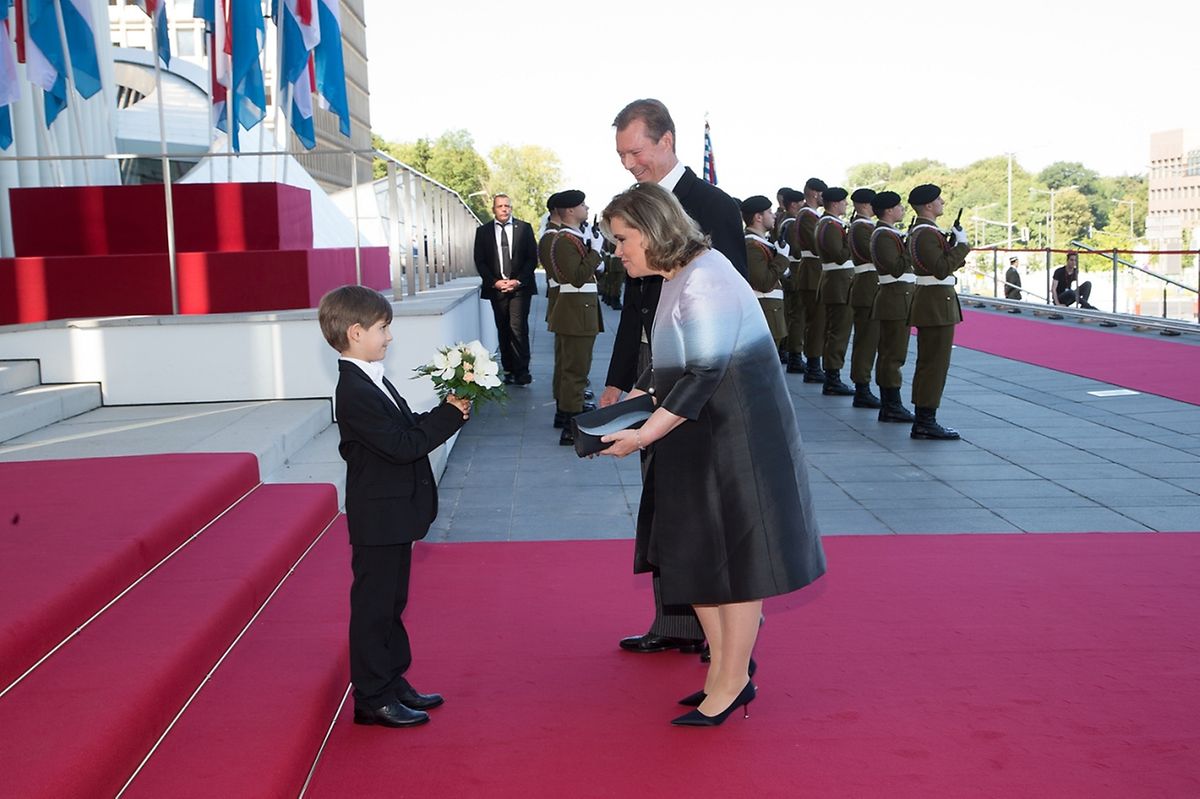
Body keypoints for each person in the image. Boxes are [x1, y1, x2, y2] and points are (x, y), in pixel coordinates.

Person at [598, 183, 825, 726]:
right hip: (702, 432)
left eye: (623, 239)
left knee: (735, 563)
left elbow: (704, 373)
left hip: (735, 438)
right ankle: (723, 676)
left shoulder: (704, 278)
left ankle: (732, 680)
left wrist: (642, 435)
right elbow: (679, 360)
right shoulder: (681, 275)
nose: (618, 251)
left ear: (653, 233)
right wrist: (637, 396)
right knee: (699, 555)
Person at [604, 98, 747, 656]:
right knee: (663, 499)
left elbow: (726, 305)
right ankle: (676, 621)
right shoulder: (637, 207)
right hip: (651, 371)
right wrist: (620, 378)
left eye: (635, 151)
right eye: (620, 155)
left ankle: (726, 642)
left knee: (707, 505)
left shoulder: (712, 205)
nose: (629, 164)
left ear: (666, 139)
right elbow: (635, 304)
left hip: (697, 377)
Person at [318, 285, 471, 728]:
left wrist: (448, 408)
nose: (389, 337)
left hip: (392, 515)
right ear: (356, 331)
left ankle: (393, 680)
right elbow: (402, 446)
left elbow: (405, 426)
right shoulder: (354, 390)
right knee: (374, 608)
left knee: (392, 602)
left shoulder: (372, 376)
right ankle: (371, 696)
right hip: (378, 517)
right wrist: (449, 418)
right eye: (384, 329)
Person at [907, 184, 970, 440]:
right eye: (938, 200)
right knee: (934, 364)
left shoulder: (924, 232)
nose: (942, 202)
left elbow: (942, 263)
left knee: (930, 363)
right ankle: (925, 421)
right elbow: (941, 268)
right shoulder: (926, 233)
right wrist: (962, 245)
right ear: (929, 206)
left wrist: (953, 245)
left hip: (933, 301)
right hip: (935, 303)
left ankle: (924, 418)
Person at [546, 190, 604, 445]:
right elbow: (577, 277)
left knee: (575, 368)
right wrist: (596, 251)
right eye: (582, 205)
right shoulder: (564, 240)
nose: (586, 207)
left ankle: (569, 414)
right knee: (575, 371)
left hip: (579, 312)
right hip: (576, 314)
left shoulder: (571, 238)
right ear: (570, 210)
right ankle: (571, 425)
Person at [473, 194, 538, 385]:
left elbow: (531, 258)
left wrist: (518, 281)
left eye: (507, 206)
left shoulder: (524, 228)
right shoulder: (483, 232)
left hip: (520, 288)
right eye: (500, 206)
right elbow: (480, 261)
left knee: (518, 328)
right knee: (503, 328)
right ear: (493, 209)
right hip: (497, 288)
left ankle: (522, 371)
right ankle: (508, 369)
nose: (504, 209)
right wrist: (494, 282)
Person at [868, 190, 917, 423]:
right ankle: (891, 404)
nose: (902, 210)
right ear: (889, 210)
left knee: (893, 353)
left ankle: (891, 403)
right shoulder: (883, 235)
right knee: (892, 354)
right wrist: (909, 246)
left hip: (898, 299)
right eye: (899, 206)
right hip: (894, 299)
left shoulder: (888, 233)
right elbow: (895, 268)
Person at [813, 186, 856, 397]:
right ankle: (833, 377)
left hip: (838, 282)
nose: (846, 205)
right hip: (838, 284)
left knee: (836, 331)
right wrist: (851, 242)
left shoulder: (830, 223)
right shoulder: (829, 225)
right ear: (836, 203)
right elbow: (840, 255)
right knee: (838, 332)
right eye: (844, 202)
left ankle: (833, 374)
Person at [789, 177, 827, 381]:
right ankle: (812, 365)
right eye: (822, 194)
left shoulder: (810, 215)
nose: (824, 199)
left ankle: (812, 362)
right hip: (812, 273)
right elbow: (817, 245)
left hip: (813, 272)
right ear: (814, 194)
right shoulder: (808, 216)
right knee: (815, 322)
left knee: (814, 321)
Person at [847, 188, 881, 409]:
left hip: (871, 287)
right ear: (866, 205)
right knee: (866, 342)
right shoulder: (862, 227)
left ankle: (864, 386)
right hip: (868, 288)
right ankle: (862, 387)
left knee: (870, 341)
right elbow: (877, 255)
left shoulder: (865, 226)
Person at [741, 195, 789, 348]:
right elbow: (763, 282)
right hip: (766, 311)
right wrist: (782, 258)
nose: (774, 215)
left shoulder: (760, 243)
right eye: (769, 212)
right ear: (758, 217)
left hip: (771, 310)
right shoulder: (752, 245)